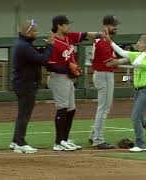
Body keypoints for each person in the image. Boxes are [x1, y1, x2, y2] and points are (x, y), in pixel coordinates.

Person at [47, 15, 102, 151]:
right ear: (59, 25)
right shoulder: (52, 42)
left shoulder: (68, 37)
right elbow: (50, 66)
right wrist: (68, 68)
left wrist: (101, 35)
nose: (69, 26)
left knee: (71, 110)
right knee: (62, 108)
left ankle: (64, 139)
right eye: (66, 24)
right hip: (58, 78)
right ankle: (58, 142)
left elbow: (85, 35)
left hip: (68, 79)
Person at [105, 34, 146, 152]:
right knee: (140, 118)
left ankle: (140, 144)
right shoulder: (139, 55)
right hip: (138, 91)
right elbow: (123, 53)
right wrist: (110, 41)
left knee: (135, 118)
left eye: (141, 42)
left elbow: (135, 64)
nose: (138, 43)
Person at [9, 19, 54, 153]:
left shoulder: (24, 44)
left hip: (23, 83)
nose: (37, 33)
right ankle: (20, 142)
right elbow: (42, 60)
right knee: (24, 115)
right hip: (26, 84)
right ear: (28, 32)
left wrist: (44, 49)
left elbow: (34, 57)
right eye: (34, 30)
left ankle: (15, 141)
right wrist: (50, 46)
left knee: (23, 114)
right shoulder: (24, 46)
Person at [88, 15, 119, 149]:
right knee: (104, 108)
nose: (115, 27)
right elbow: (109, 63)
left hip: (103, 75)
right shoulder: (102, 41)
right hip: (104, 75)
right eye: (113, 25)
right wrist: (128, 60)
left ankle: (94, 134)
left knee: (104, 107)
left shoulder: (105, 40)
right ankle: (98, 139)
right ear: (106, 26)